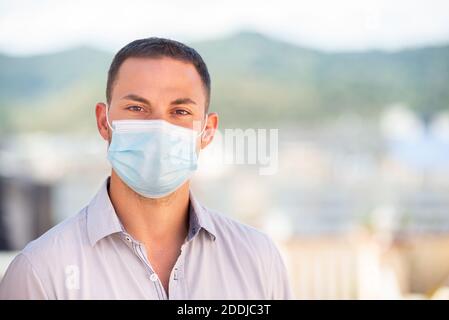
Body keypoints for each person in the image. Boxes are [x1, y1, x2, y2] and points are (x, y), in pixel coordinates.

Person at [0, 37, 292, 299]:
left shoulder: (258, 259)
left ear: (207, 131)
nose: (159, 128)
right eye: (137, 108)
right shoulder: (40, 271)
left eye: (180, 112)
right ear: (104, 122)